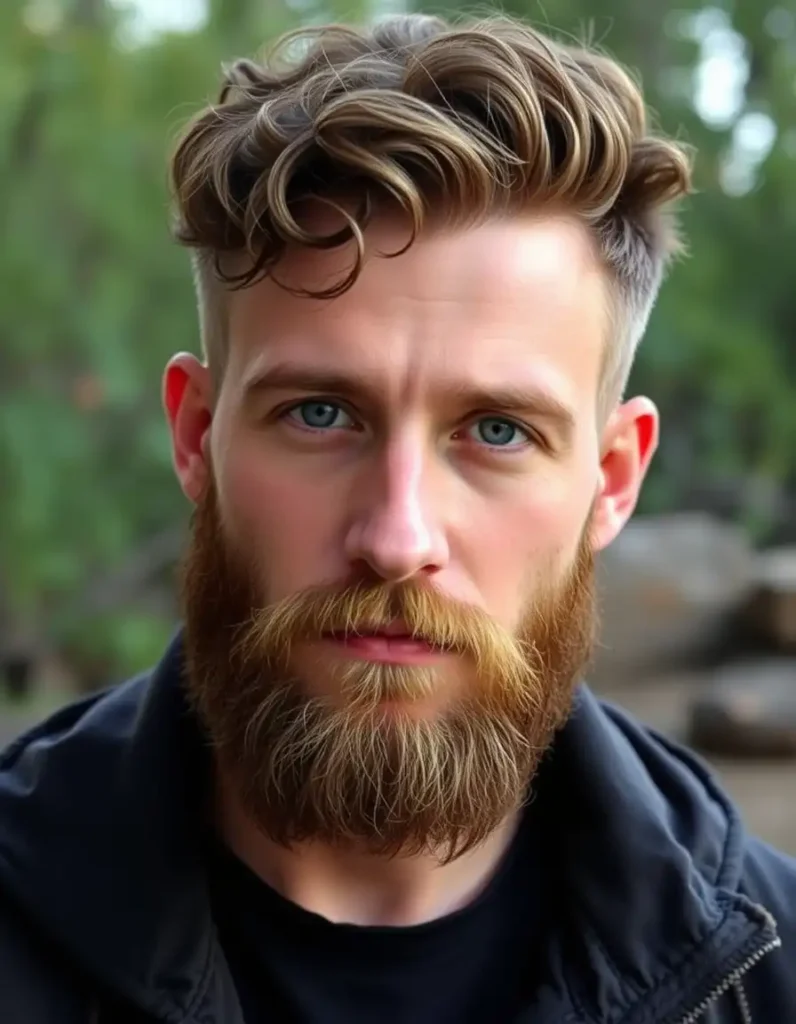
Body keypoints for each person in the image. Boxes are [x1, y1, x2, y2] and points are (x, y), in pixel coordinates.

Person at [0, 13, 793, 1024]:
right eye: (321, 413)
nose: (396, 534)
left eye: (497, 431)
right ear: (197, 435)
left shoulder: (768, 975)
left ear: (612, 478)